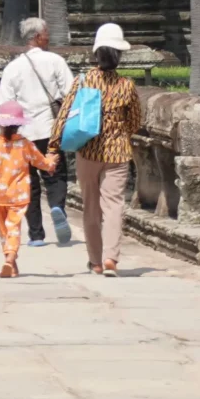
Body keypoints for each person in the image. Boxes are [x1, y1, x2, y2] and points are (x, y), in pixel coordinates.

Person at [62, 22, 144, 276]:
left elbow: (65, 115)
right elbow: (135, 121)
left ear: (96, 53)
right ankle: (111, 258)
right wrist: (118, 133)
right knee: (114, 205)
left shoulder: (83, 81)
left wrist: (54, 147)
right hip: (118, 153)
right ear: (119, 55)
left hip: (88, 151)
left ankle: (95, 261)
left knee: (90, 207)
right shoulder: (127, 85)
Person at [0, 16, 75, 247]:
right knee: (55, 175)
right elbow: (71, 93)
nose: (48, 37)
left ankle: (37, 235)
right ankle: (57, 206)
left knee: (28, 182)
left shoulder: (12, 68)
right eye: (46, 33)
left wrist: (6, 138)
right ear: (39, 37)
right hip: (51, 129)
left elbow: (4, 105)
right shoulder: (55, 61)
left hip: (23, 133)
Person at [0, 98, 56, 277]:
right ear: (19, 124)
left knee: (3, 229)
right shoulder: (25, 144)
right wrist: (51, 163)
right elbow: (40, 162)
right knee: (14, 227)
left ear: (0, 124)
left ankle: (10, 260)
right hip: (19, 195)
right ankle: (11, 260)